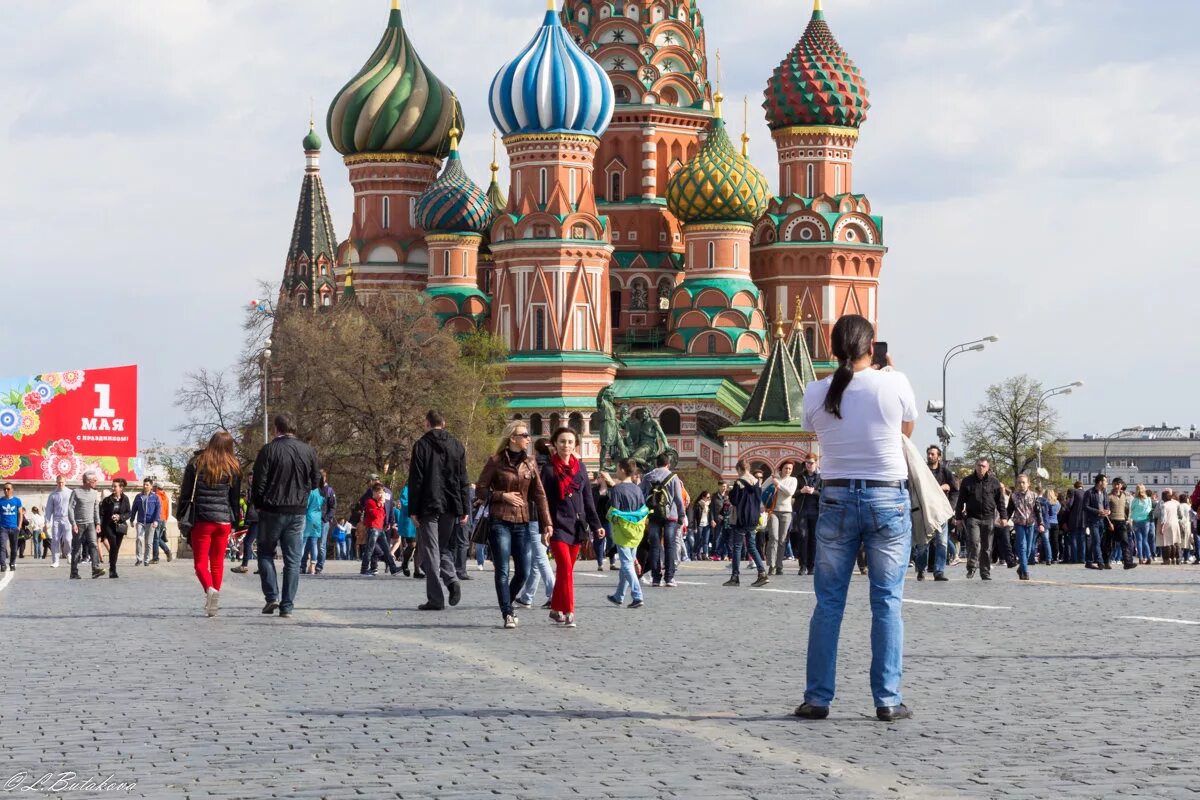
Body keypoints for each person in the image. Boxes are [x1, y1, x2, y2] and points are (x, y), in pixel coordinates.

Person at [793, 314, 917, 723]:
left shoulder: (816, 391)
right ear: (872, 346)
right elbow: (906, 431)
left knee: (828, 603)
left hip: (836, 497)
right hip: (887, 498)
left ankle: (817, 698)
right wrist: (888, 372)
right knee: (887, 602)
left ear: (831, 348)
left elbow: (810, 429)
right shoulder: (894, 382)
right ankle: (887, 699)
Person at [476, 419, 551, 629]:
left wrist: (548, 524)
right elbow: (481, 490)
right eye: (524, 435)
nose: (528, 438)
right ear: (512, 439)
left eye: (528, 434)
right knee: (502, 569)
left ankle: (506, 600)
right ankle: (507, 612)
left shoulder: (530, 462)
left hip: (523, 521)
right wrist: (502, 495)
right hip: (500, 520)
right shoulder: (496, 461)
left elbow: (540, 494)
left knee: (524, 571)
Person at [251, 413, 321, 618]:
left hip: (272, 509)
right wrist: (303, 492)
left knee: (265, 553)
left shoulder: (269, 450)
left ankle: (272, 597)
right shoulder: (308, 451)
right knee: (292, 559)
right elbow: (316, 481)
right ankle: (287, 605)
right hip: (297, 510)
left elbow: (259, 482)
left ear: (276, 429)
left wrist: (259, 504)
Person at [407, 410, 470, 611]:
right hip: (451, 505)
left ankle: (436, 598)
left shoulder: (421, 445)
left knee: (431, 551)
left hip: (428, 504)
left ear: (427, 423)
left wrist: (413, 509)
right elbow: (463, 478)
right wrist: (464, 507)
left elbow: (416, 480)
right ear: (444, 422)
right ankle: (451, 581)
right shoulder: (457, 445)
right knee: (440, 548)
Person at [540, 426, 603, 627]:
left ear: (575, 445)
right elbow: (543, 501)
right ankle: (569, 611)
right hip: (557, 526)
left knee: (565, 571)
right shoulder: (548, 469)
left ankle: (555, 609)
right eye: (561, 441)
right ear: (555, 444)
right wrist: (545, 525)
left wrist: (596, 525)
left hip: (577, 526)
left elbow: (588, 500)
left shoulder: (581, 469)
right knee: (566, 569)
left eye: (569, 442)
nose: (566, 445)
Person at [178, 431, 245, 617]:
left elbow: (185, 494)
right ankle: (213, 602)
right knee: (217, 563)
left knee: (200, 564)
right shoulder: (233, 467)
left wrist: (181, 516)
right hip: (223, 521)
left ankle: (210, 590)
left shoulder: (196, 464)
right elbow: (234, 498)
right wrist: (236, 523)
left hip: (202, 521)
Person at [516, 438, 555, 610]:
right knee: (535, 557)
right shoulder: (554, 467)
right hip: (548, 516)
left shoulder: (532, 466)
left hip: (533, 514)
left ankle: (553, 593)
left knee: (539, 557)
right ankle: (527, 596)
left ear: (536, 451)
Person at [955, 458, 1011, 580]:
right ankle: (971, 567)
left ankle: (985, 572)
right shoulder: (967, 481)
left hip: (989, 518)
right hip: (972, 518)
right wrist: (958, 517)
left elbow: (1000, 502)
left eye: (984, 466)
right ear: (975, 466)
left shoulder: (994, 482)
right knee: (975, 543)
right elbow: (960, 501)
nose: (981, 468)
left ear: (987, 467)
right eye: (979, 465)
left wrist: (1004, 517)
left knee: (987, 547)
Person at [606, 458, 648, 609]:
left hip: (622, 531)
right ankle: (619, 595)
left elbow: (614, 511)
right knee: (627, 564)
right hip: (636, 531)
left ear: (623, 470)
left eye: (617, 468)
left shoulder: (617, 489)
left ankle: (637, 595)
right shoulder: (638, 489)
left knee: (626, 564)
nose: (616, 471)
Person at [641, 453, 685, 588]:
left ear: (656, 464)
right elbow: (678, 498)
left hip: (653, 515)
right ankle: (669, 578)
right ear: (668, 464)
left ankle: (655, 578)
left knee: (654, 546)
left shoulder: (648, 477)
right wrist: (682, 516)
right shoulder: (673, 477)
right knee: (669, 545)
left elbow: (641, 496)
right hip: (670, 515)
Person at [915, 446, 957, 581]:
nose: (930, 456)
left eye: (933, 454)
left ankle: (939, 571)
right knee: (923, 544)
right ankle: (921, 569)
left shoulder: (945, 472)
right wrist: (941, 488)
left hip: (941, 512)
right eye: (928, 454)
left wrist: (949, 508)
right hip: (925, 511)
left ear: (939, 457)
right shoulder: (922, 471)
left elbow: (955, 491)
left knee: (942, 542)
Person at [724, 461, 768, 588]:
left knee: (737, 547)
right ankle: (762, 573)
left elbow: (735, 501)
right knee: (752, 546)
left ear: (739, 469)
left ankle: (735, 577)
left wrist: (731, 492)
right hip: (753, 518)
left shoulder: (739, 482)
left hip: (741, 519)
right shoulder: (757, 482)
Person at [1006, 474, 1044, 581]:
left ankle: (1021, 567)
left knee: (1029, 549)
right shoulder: (1013, 496)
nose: (1021, 484)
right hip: (1019, 523)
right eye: (1019, 482)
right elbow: (1009, 510)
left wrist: (1041, 523)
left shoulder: (1034, 495)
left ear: (1028, 484)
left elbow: (1038, 511)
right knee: (1022, 546)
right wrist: (1004, 519)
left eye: (1023, 482)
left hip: (1031, 523)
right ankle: (1025, 571)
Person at [68, 471, 104, 580]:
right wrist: (73, 523)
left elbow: (95, 509)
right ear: (87, 481)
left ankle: (95, 569)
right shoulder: (76, 492)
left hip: (91, 524)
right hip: (79, 524)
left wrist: (98, 523)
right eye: (94, 480)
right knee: (77, 548)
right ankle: (74, 572)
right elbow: (70, 508)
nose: (96, 482)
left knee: (93, 544)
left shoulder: (94, 493)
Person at [765, 461, 798, 576]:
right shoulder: (773, 478)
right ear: (781, 468)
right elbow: (762, 490)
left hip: (787, 512)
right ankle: (771, 565)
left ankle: (779, 565)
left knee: (782, 540)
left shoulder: (793, 480)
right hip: (773, 511)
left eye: (790, 469)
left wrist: (778, 485)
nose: (788, 471)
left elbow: (790, 492)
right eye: (786, 468)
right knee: (773, 537)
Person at [791, 457, 822, 576]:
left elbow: (824, 493)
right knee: (803, 537)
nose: (809, 465)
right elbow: (792, 493)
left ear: (816, 463)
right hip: (802, 510)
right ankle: (802, 566)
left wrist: (813, 492)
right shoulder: (799, 476)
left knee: (813, 538)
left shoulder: (821, 477)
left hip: (816, 510)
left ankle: (812, 566)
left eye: (811, 463)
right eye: (807, 463)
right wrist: (801, 491)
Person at [98, 478, 131, 579]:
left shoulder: (125, 499)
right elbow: (102, 514)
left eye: (115, 486)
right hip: (108, 526)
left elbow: (129, 512)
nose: (113, 488)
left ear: (121, 488)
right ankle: (113, 569)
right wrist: (101, 530)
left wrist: (120, 517)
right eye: (112, 486)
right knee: (113, 545)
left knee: (116, 548)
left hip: (119, 527)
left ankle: (112, 568)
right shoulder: (107, 500)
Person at [129, 479, 161, 567]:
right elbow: (134, 508)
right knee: (139, 539)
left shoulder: (155, 497)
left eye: (147, 485)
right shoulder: (138, 496)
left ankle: (146, 560)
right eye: (144, 484)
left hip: (151, 522)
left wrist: (156, 520)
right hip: (140, 521)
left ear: (151, 486)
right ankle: (139, 559)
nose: (145, 486)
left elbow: (158, 510)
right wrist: (132, 519)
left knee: (149, 542)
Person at [42, 476, 73, 569]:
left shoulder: (71, 493)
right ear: (56, 482)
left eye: (62, 482)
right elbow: (48, 509)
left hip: (67, 519)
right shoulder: (53, 494)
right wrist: (46, 522)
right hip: (56, 519)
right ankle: (55, 560)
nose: (61, 484)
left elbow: (74, 507)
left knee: (68, 539)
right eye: (59, 482)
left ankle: (68, 554)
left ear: (65, 482)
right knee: (55, 540)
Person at [1082, 475, 1111, 570]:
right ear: (1100, 482)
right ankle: (1100, 562)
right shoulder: (1089, 492)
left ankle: (1089, 561)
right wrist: (1098, 511)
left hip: (1103, 520)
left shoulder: (1104, 493)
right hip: (1093, 521)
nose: (1107, 483)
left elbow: (1106, 505)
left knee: (1098, 542)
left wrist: (1108, 511)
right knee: (1096, 541)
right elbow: (1085, 506)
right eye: (1105, 481)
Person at [591, 471, 614, 571]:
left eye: (600, 477)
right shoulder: (594, 490)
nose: (598, 478)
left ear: (605, 478)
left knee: (611, 539)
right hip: (597, 519)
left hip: (608, 518)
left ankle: (612, 562)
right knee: (598, 541)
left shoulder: (611, 490)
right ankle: (600, 564)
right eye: (598, 477)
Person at [0, 483, 24, 573]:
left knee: (14, 548)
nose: (6, 490)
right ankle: (2, 564)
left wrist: (19, 526)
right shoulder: (0, 501)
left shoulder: (17, 501)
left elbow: (20, 513)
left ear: (12, 489)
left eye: (8, 489)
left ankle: (12, 563)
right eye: (4, 489)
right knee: (2, 546)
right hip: (3, 528)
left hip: (14, 528)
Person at [149, 481, 173, 563]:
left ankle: (156, 558)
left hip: (157, 519)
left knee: (155, 539)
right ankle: (167, 552)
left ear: (157, 488)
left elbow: (154, 509)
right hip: (163, 520)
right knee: (157, 538)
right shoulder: (165, 496)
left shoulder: (156, 496)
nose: (152, 488)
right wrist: (165, 520)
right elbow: (167, 510)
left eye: (154, 487)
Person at [302, 486, 324, 575]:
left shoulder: (310, 492)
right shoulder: (321, 492)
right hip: (317, 518)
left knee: (303, 543)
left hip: (308, 517)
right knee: (314, 544)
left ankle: (297, 564)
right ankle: (313, 567)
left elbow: (305, 505)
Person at [1158, 490, 1183, 564]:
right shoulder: (1176, 503)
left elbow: (1163, 517)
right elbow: (1180, 515)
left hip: (1167, 524)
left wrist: (1161, 527)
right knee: (1176, 542)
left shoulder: (1164, 505)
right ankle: (1176, 558)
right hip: (1175, 523)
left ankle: (1167, 559)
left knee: (1167, 542)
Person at [1037, 489, 1061, 565]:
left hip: (1048, 523)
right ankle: (1055, 557)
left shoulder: (1045, 502)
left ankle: (1044, 557)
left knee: (1046, 541)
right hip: (1055, 523)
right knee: (1055, 541)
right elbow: (1057, 512)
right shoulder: (1057, 502)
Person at [690, 491, 712, 561]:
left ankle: (705, 555)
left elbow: (710, 514)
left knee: (706, 541)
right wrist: (695, 527)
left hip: (707, 525)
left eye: (709, 497)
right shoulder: (698, 505)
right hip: (700, 525)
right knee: (698, 540)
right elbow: (694, 517)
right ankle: (695, 553)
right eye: (707, 497)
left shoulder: (709, 505)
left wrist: (712, 520)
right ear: (703, 497)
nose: (709, 499)